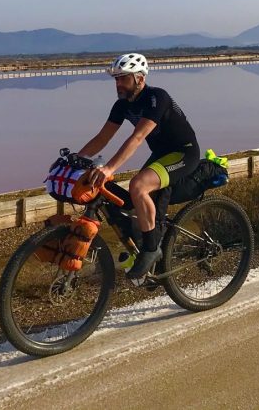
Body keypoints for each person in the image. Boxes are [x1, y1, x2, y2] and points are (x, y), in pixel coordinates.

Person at [78, 53, 200, 279]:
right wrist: (77, 157)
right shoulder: (121, 105)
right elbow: (102, 138)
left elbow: (137, 137)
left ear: (140, 79)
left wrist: (109, 169)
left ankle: (152, 250)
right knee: (133, 204)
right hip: (161, 155)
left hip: (183, 152)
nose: (118, 84)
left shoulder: (157, 97)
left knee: (138, 186)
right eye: (116, 79)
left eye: (123, 78)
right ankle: (152, 255)